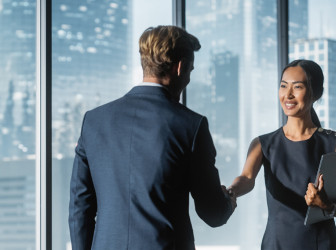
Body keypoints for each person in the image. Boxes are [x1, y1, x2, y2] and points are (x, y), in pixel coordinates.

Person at [69, 25, 236, 250]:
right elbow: (212, 213)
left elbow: (80, 208)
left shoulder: (94, 121)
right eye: (190, 70)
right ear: (180, 67)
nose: (188, 79)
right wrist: (228, 201)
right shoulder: (191, 126)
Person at [228, 59, 336, 249]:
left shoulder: (334, 143)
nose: (288, 95)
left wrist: (327, 205)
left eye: (297, 87)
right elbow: (246, 178)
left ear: (315, 93)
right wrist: (231, 191)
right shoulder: (263, 144)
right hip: (276, 244)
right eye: (283, 86)